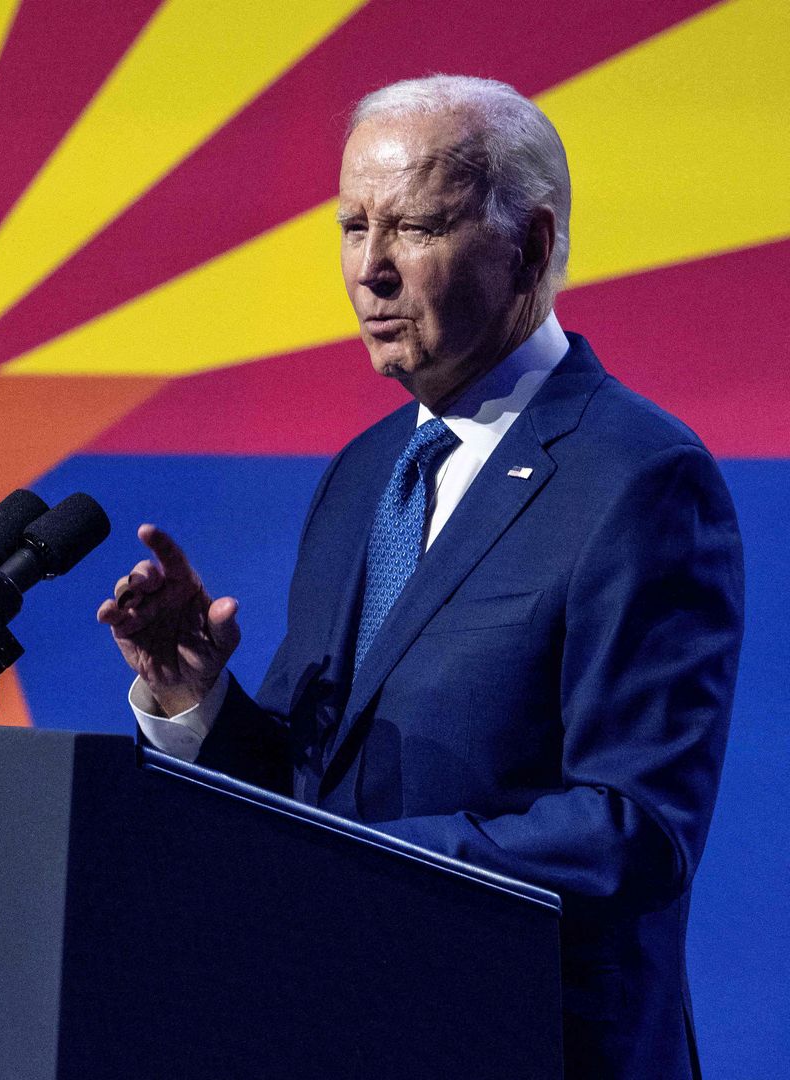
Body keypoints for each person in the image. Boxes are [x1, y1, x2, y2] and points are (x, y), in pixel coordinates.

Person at [98, 75, 741, 1080]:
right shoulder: (363, 476)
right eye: (354, 228)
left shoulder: (641, 478)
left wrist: (354, 861)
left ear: (528, 246)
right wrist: (195, 699)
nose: (371, 271)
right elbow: (307, 789)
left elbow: (633, 833)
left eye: (417, 227)